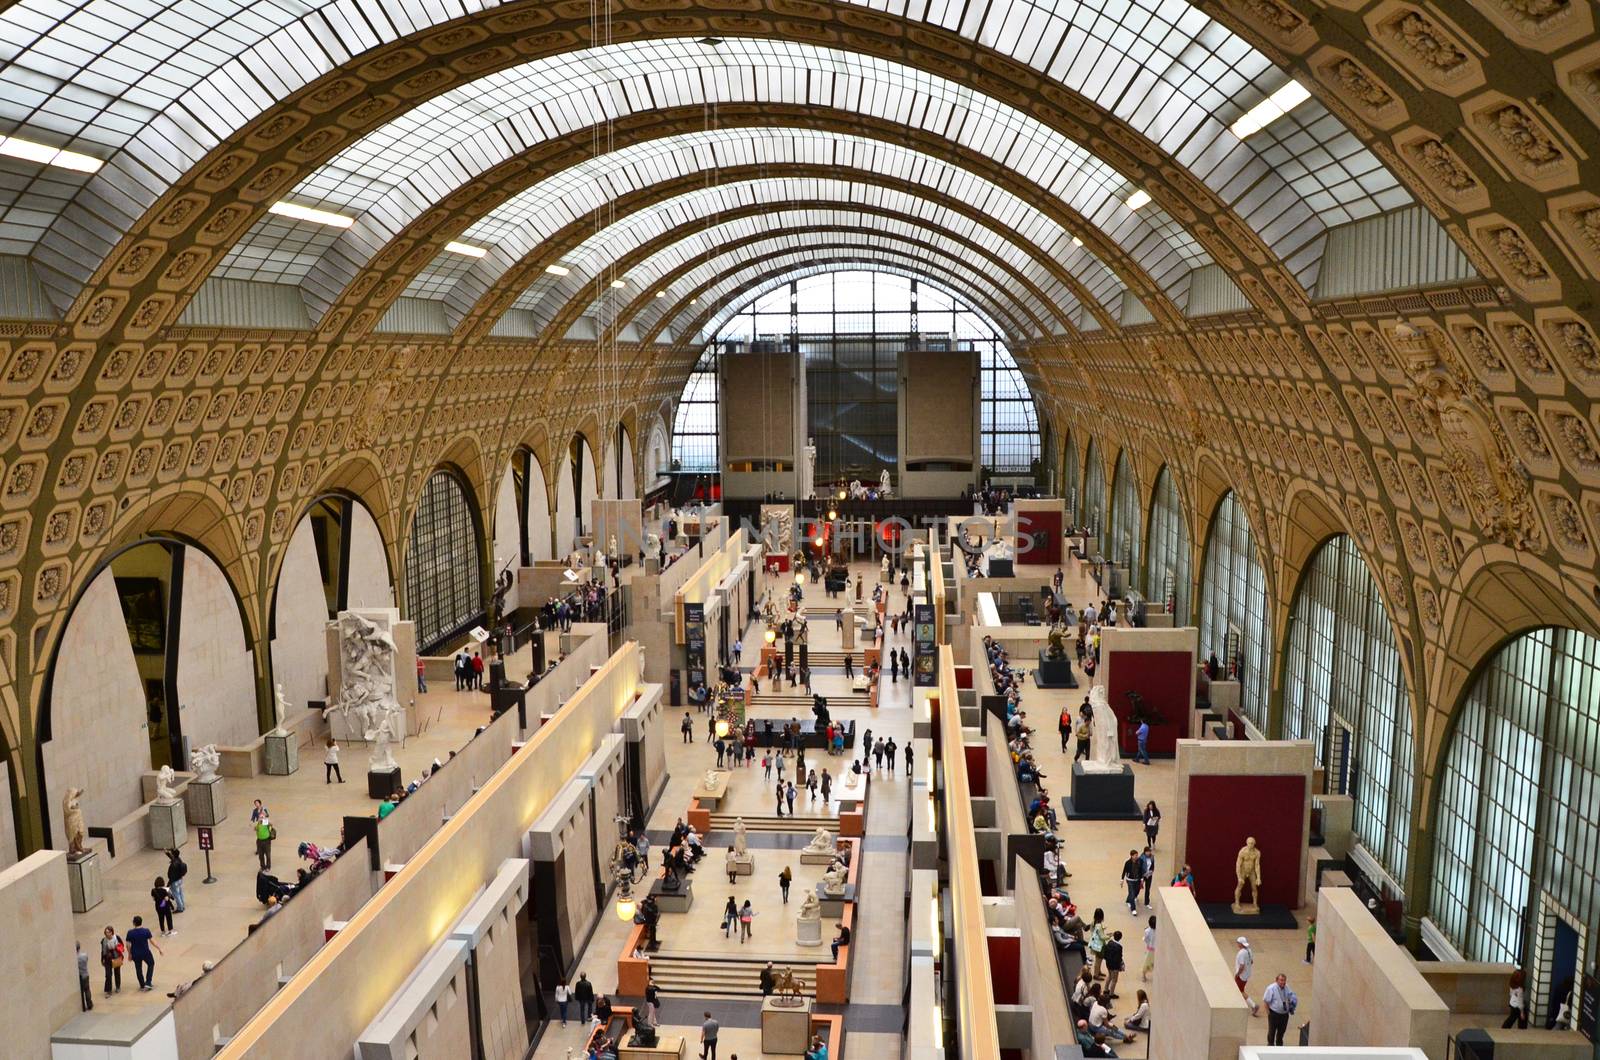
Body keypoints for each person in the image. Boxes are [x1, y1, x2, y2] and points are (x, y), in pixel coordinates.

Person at [126, 915, 161, 991]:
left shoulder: (130, 933)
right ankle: (148, 982)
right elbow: (152, 941)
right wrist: (159, 948)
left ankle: (142, 984)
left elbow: (128, 945)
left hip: (135, 953)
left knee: (138, 969)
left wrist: (129, 954)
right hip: (145, 952)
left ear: (134, 923)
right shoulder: (146, 931)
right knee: (151, 964)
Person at [1263, 972, 1298, 1046]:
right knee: (1272, 1032)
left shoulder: (1287, 987)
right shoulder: (1271, 988)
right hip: (1274, 1014)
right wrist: (1269, 1013)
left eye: (1284, 980)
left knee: (1281, 1032)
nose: (1283, 982)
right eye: (1281, 980)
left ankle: (1279, 1045)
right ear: (1277, 980)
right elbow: (1266, 1001)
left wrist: (1293, 1001)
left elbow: (1291, 995)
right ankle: (1270, 1045)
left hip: (1284, 1015)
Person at [1233, 937, 1259, 1015]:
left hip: (1241, 976)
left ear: (1241, 944)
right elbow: (1251, 961)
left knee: (1240, 991)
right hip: (1247, 974)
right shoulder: (1249, 950)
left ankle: (1253, 1005)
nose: (1237, 944)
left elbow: (1241, 966)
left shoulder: (1241, 953)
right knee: (1240, 989)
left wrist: (1237, 974)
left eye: (1238, 943)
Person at [100, 925, 123, 996]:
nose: (107, 934)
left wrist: (117, 949)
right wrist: (102, 959)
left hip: (116, 956)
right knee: (108, 974)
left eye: (109, 932)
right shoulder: (104, 940)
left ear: (112, 932)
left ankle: (118, 986)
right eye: (106, 932)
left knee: (117, 972)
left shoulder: (117, 938)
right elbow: (102, 951)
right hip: (107, 958)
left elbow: (122, 946)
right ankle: (108, 990)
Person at [1103, 930, 1125, 1000]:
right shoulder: (1119, 947)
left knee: (1109, 976)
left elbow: (1105, 953)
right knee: (1114, 980)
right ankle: (1111, 994)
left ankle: (1106, 990)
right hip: (1114, 965)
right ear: (1120, 938)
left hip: (1108, 963)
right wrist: (1120, 966)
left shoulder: (1109, 942)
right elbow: (1119, 958)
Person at [165, 848, 188, 913]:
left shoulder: (173, 865)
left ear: (173, 855)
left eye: (171, 853)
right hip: (180, 879)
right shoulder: (179, 859)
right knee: (180, 893)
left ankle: (180, 908)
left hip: (174, 882)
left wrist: (168, 885)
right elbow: (172, 857)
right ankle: (182, 905)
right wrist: (167, 853)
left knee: (176, 894)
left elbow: (171, 877)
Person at [1120, 850, 1142, 914]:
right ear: (1132, 856)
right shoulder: (1127, 863)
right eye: (1135, 855)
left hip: (1137, 879)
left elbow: (1140, 870)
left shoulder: (1139, 862)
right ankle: (1133, 909)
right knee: (1132, 893)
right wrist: (1122, 879)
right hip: (1130, 880)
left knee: (1136, 891)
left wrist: (1141, 878)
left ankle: (1128, 900)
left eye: (1137, 855)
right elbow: (1124, 871)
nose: (1136, 856)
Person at [76, 941, 94, 1011]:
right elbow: (86, 960)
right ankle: (89, 1004)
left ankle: (82, 1006)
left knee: (81, 991)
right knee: (87, 990)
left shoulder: (74, 958)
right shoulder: (84, 955)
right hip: (85, 975)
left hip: (79, 977)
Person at [1141, 915, 1156, 982]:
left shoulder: (1147, 931)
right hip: (1154, 949)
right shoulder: (1158, 930)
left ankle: (1144, 975)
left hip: (1150, 948)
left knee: (1146, 962)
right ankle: (1143, 975)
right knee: (1148, 962)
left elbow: (1146, 939)